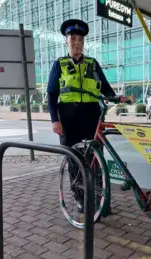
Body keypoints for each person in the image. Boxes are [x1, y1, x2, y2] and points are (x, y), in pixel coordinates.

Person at [46, 19, 121, 212]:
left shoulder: (92, 64)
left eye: (80, 39)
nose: (77, 42)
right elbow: (52, 94)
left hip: (91, 116)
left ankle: (98, 199)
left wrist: (116, 98)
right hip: (68, 117)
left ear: (84, 42)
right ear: (66, 41)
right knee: (74, 159)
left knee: (95, 159)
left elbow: (105, 87)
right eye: (73, 38)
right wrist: (55, 120)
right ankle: (80, 198)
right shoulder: (59, 65)